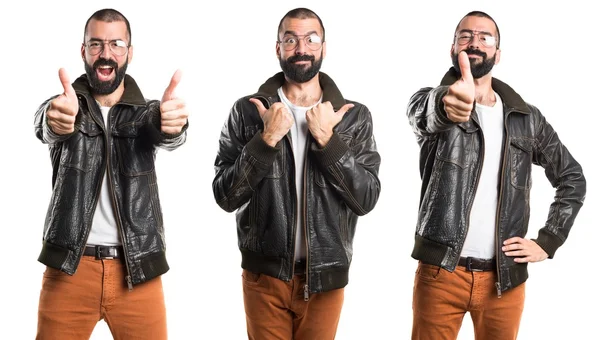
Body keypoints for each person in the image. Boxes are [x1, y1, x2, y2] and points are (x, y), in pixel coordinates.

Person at [406, 10, 586, 340]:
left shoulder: (526, 118)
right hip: (441, 273)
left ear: (497, 54)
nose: (474, 42)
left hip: (505, 280)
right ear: (453, 49)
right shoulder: (433, 101)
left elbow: (572, 177)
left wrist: (548, 241)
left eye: (484, 37)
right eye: (465, 36)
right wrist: (448, 105)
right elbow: (423, 115)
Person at [212, 7, 381, 340]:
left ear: (323, 47)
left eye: (311, 39)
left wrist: (329, 141)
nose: (301, 48)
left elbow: (366, 199)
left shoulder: (353, 116)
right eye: (290, 39)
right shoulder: (247, 111)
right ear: (278, 49)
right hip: (265, 277)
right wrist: (266, 139)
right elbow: (225, 196)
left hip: (326, 278)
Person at [34, 8, 188, 340]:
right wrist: (53, 119)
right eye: (96, 44)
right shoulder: (66, 105)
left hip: (138, 271)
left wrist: (173, 125)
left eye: (116, 44)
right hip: (69, 270)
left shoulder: (146, 113)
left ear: (129, 52)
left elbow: (165, 130)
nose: (106, 54)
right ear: (84, 51)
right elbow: (47, 124)